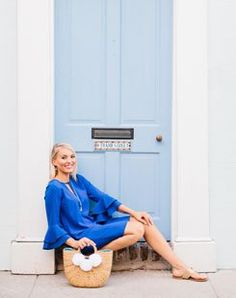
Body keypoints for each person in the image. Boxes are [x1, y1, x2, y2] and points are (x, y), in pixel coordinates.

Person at [43, 143, 208, 282]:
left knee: (143, 222)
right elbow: (54, 225)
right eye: (63, 157)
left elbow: (104, 198)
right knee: (137, 231)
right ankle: (91, 253)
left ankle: (180, 267)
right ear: (54, 162)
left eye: (72, 156)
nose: (69, 161)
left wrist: (134, 212)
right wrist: (75, 243)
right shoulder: (54, 188)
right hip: (82, 234)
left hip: (94, 226)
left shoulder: (78, 180)